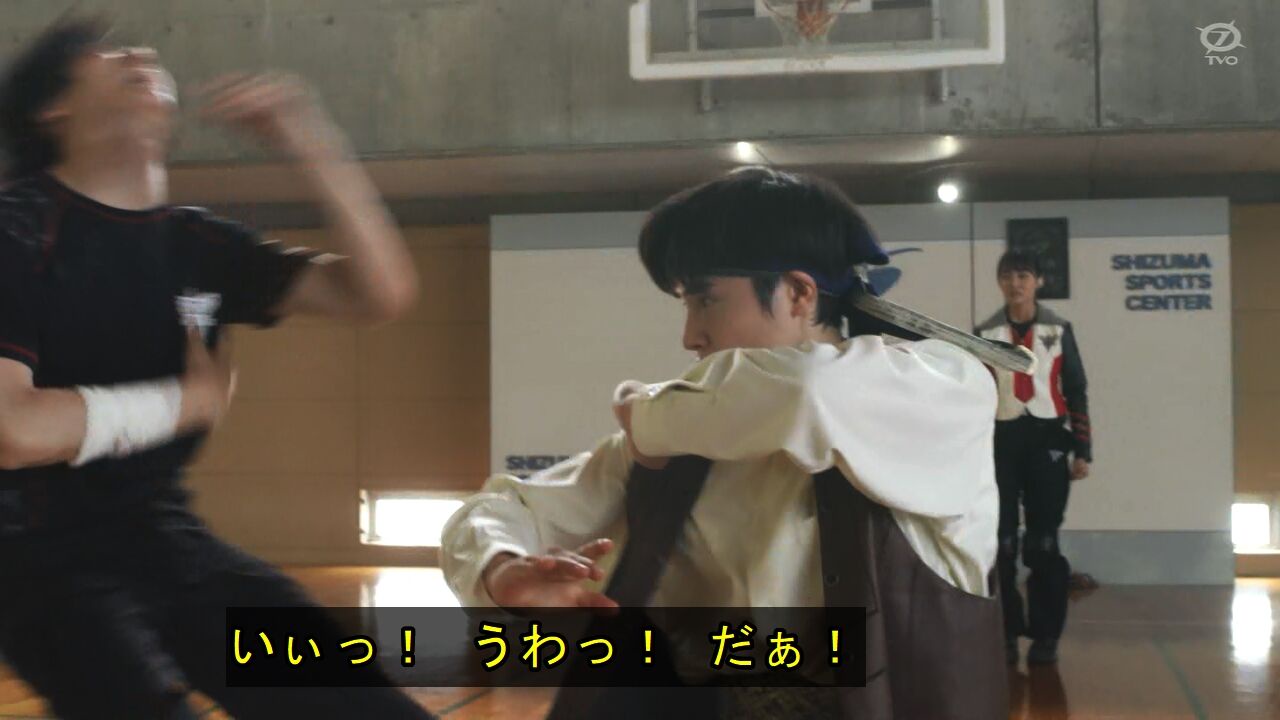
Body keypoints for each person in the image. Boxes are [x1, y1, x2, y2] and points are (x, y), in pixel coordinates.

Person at [442, 167, 1007, 718]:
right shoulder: (685, 429)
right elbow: (497, 509)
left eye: (707, 300)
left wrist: (645, 413)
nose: (690, 336)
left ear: (798, 293)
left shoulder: (945, 387)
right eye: (686, 304)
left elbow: (808, 394)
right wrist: (502, 568)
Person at [0, 18, 434, 719]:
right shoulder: (16, 230)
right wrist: (188, 403)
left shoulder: (197, 243)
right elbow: (13, 431)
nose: (138, 54)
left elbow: (376, 294)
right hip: (33, 557)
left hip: (166, 539)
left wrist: (311, 144)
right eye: (103, 53)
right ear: (52, 107)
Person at [976, 249, 1093, 667]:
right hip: (1001, 442)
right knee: (1002, 546)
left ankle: (1046, 636)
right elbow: (975, 394)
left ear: (1038, 281)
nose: (1015, 284)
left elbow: (1076, 388)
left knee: (1043, 545)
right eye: (1008, 276)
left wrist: (1083, 449)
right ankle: (1006, 633)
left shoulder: (1059, 329)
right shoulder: (984, 332)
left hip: (1048, 440)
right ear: (999, 281)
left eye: (1023, 276)